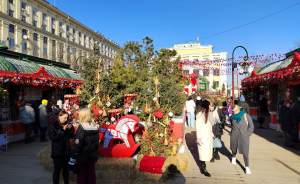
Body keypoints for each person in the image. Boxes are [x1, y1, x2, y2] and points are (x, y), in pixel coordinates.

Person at [68, 108, 99, 184]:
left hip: (82, 157)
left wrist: (72, 158)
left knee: (82, 177)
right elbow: (96, 143)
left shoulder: (82, 128)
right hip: (92, 156)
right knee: (91, 175)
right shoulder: (95, 126)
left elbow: (77, 145)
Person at [48, 110, 74, 184]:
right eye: (64, 118)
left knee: (66, 171)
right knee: (57, 171)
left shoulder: (67, 123)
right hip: (57, 152)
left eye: (67, 118)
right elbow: (53, 137)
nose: (66, 119)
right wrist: (62, 130)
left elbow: (71, 136)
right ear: (59, 116)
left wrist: (71, 129)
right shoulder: (53, 125)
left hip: (66, 152)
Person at [230, 100, 254, 174]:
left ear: (239, 107)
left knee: (245, 153)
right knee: (233, 148)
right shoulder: (232, 117)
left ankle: (247, 167)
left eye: (235, 106)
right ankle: (233, 157)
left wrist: (247, 134)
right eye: (232, 107)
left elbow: (251, 127)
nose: (233, 107)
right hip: (234, 135)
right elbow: (232, 126)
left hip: (244, 137)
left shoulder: (245, 115)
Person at [196, 100, 213, 177]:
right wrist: (198, 138)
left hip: (208, 136)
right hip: (202, 137)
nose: (210, 107)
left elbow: (211, 124)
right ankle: (203, 168)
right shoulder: (199, 115)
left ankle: (204, 167)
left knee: (207, 151)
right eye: (209, 105)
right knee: (203, 153)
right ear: (206, 106)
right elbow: (198, 127)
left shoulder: (208, 114)